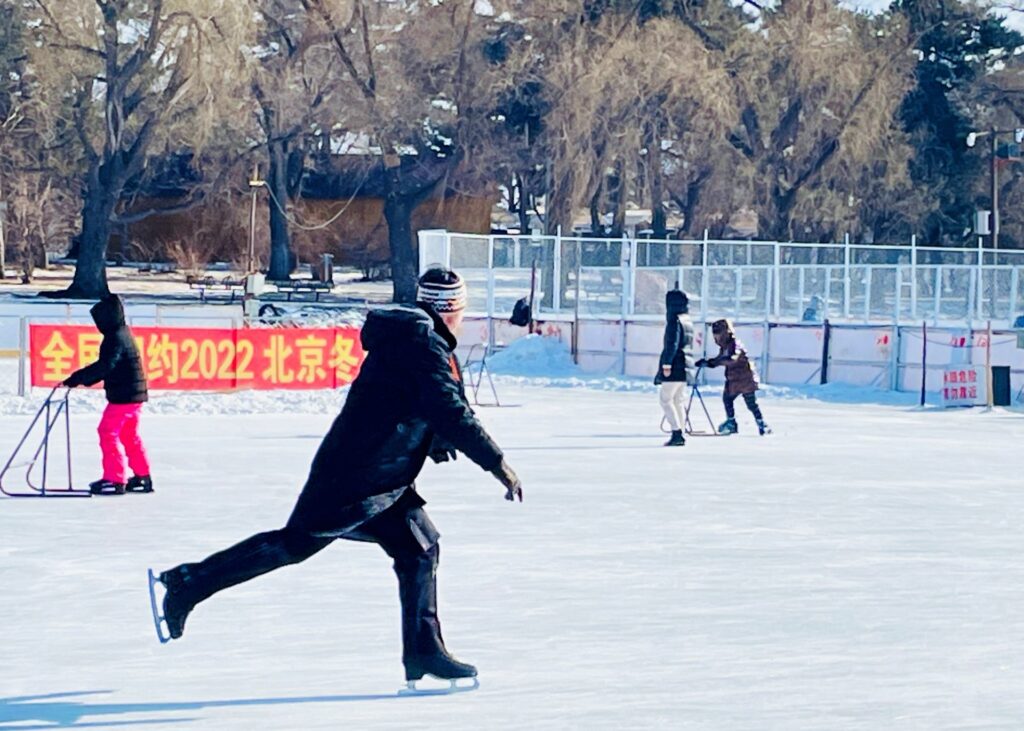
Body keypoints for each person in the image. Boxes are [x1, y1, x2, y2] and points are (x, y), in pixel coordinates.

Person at [151, 267, 523, 686]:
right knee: (293, 545)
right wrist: (496, 463)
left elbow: (422, 401)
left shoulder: (418, 339)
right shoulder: (422, 343)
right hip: (357, 477)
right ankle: (189, 582)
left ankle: (424, 650)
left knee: (420, 548)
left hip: (384, 477)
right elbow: (447, 408)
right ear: (451, 310)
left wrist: (433, 440)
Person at [63, 294, 152, 495]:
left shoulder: (115, 338)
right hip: (133, 394)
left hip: (124, 396)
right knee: (129, 435)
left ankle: (114, 478)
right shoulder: (123, 333)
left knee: (107, 432)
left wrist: (76, 378)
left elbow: (106, 366)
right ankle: (142, 475)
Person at [697, 319, 771, 436]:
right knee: (727, 399)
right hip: (734, 380)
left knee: (750, 403)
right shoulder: (725, 347)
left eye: (718, 334)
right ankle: (732, 422)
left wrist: (715, 362)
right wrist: (708, 363)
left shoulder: (734, 344)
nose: (716, 338)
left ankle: (762, 424)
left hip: (745, 379)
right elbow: (720, 359)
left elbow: (731, 358)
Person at [654, 289, 694, 446]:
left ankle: (677, 432)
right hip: (685, 365)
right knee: (677, 400)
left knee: (665, 400)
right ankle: (681, 430)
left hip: (675, 365)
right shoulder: (687, 320)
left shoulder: (674, 321)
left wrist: (666, 364)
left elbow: (672, 344)